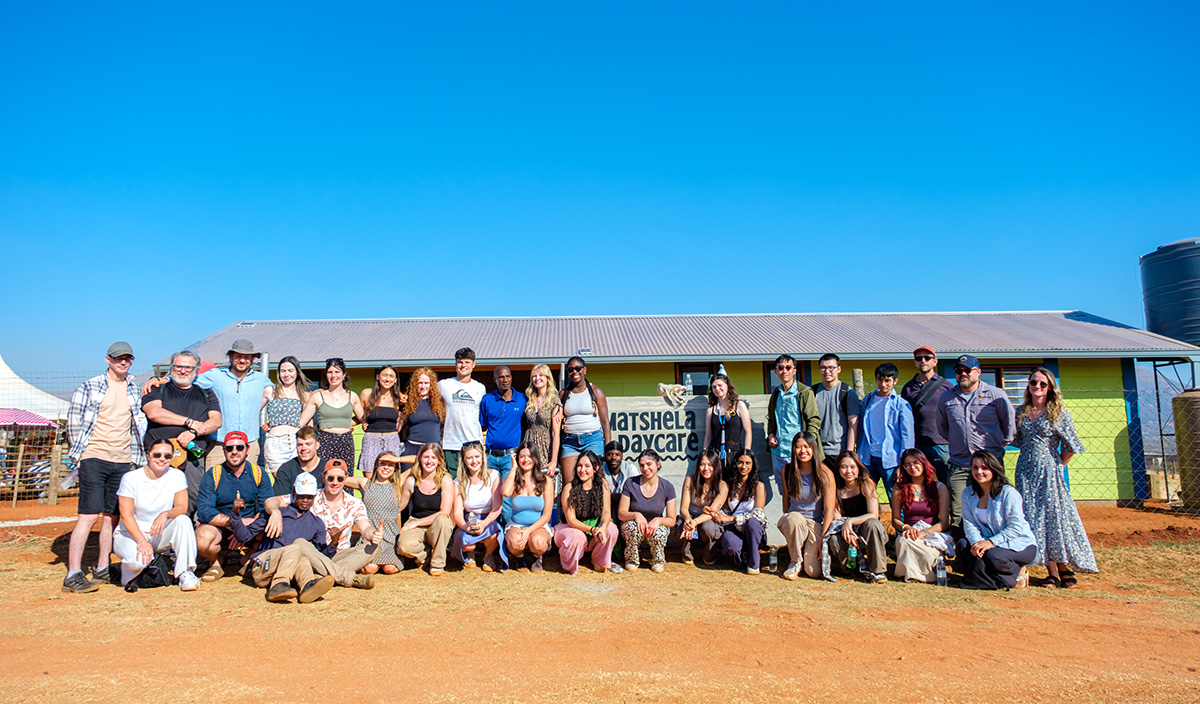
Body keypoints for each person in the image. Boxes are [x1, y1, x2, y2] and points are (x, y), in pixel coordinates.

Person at [63, 341, 148, 593]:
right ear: (107, 360)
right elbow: (74, 422)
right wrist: (80, 454)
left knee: (112, 516)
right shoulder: (89, 386)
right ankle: (73, 573)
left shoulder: (134, 388)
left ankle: (102, 568)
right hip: (94, 457)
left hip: (123, 460)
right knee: (88, 515)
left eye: (128, 358)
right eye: (118, 358)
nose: (123, 362)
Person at [229, 473, 372, 603]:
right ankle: (278, 586)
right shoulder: (277, 513)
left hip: (292, 569)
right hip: (265, 566)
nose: (305, 500)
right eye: (301, 496)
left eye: (309, 497)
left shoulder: (316, 523)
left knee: (302, 554)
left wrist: (334, 542)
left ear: (314, 498)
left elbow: (319, 556)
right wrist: (235, 514)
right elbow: (244, 536)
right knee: (297, 546)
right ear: (293, 494)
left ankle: (307, 586)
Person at [1014, 368, 1097, 588]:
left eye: (1043, 384)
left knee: (1054, 518)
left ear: (1050, 387)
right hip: (1025, 471)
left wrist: (1058, 463)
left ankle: (1063, 567)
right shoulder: (1021, 411)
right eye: (1034, 383)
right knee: (1034, 518)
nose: (1037, 387)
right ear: (1029, 385)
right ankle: (1050, 570)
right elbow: (1017, 440)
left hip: (1049, 471)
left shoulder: (1058, 412)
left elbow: (1071, 444)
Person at [937, 354, 1016, 530]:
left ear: (978, 372)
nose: (963, 374)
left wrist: (999, 446)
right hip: (959, 464)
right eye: (959, 371)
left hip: (990, 465)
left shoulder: (996, 395)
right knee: (958, 511)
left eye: (967, 370)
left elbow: (1009, 425)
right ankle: (964, 552)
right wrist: (957, 442)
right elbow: (942, 428)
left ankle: (994, 548)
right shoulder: (946, 398)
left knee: (994, 507)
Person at [266, 458, 381, 578]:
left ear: (346, 479)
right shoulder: (310, 496)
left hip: (339, 553)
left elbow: (365, 526)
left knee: (372, 548)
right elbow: (272, 501)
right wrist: (275, 512)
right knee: (300, 544)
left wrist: (373, 534)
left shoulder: (355, 503)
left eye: (340, 479)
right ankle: (341, 575)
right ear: (323, 477)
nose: (335, 482)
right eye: (330, 478)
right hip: (313, 553)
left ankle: (321, 574)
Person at [142, 350, 222, 517]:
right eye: (178, 366)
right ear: (171, 368)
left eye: (188, 367)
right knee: (156, 497)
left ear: (196, 370)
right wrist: (188, 422)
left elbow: (216, 421)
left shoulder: (206, 394)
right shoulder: (158, 388)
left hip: (193, 456)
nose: (183, 371)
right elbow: (154, 412)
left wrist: (193, 432)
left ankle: (185, 533)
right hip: (160, 456)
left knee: (191, 496)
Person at [112, 437, 198, 591]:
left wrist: (165, 514)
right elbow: (126, 515)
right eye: (157, 455)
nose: (162, 459)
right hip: (131, 533)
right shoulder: (131, 478)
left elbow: (181, 507)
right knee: (138, 562)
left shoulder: (177, 475)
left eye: (167, 456)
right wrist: (141, 541)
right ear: (148, 455)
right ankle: (129, 571)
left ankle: (185, 572)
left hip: (158, 532)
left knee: (183, 520)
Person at [194, 431, 273, 582]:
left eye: (239, 447)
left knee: (272, 527)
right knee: (202, 539)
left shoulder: (259, 473)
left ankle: (248, 559)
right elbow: (204, 510)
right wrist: (235, 524)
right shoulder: (213, 474)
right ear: (223, 450)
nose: (234, 452)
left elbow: (266, 507)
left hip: (251, 526)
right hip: (222, 526)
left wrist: (246, 529)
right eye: (229, 448)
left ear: (247, 449)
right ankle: (215, 563)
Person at [955, 451, 1037, 590]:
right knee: (963, 546)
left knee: (993, 557)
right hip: (987, 543)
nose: (979, 472)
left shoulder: (1008, 493)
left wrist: (991, 542)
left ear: (994, 469)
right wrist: (976, 544)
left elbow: (1016, 527)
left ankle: (1018, 571)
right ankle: (992, 576)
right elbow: (970, 524)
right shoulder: (968, 493)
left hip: (1019, 544)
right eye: (975, 467)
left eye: (984, 468)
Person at [195, 340, 273, 470]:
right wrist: (160, 380)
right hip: (219, 445)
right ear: (230, 357)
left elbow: (280, 396)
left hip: (249, 445)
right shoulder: (215, 376)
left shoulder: (261, 379)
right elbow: (187, 383)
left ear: (252, 359)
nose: (242, 360)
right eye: (238, 356)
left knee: (248, 486)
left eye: (247, 357)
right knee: (214, 484)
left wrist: (274, 420)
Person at [777, 432, 837, 580]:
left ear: (814, 448)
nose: (802, 451)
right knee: (794, 519)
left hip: (814, 524)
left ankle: (804, 555)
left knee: (813, 571)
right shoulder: (787, 470)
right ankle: (795, 561)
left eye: (806, 446)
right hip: (795, 519)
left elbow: (829, 510)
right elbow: (786, 499)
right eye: (798, 447)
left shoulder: (825, 473)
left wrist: (823, 539)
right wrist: (789, 524)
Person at [891, 449, 953, 584]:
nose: (912, 467)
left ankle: (916, 573)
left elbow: (944, 522)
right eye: (907, 465)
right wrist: (906, 527)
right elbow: (895, 520)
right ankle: (922, 575)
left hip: (931, 534)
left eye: (915, 463)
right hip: (909, 532)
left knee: (927, 554)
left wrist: (924, 533)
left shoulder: (939, 488)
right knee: (904, 541)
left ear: (923, 463)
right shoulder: (899, 488)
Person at [856, 363, 914, 504]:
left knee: (896, 499)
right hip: (868, 458)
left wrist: (903, 464)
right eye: (880, 380)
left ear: (895, 380)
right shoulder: (868, 400)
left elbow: (907, 436)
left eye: (887, 380)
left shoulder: (901, 404)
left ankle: (900, 526)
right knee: (866, 498)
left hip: (891, 461)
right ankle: (872, 526)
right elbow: (862, 430)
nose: (883, 384)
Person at [554, 450, 619, 575]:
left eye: (587, 466)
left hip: (593, 526)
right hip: (570, 528)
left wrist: (603, 527)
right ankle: (568, 561)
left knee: (611, 529)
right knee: (577, 537)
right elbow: (571, 520)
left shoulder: (603, 484)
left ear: (595, 468)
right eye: (579, 465)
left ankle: (600, 561)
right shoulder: (569, 488)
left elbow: (606, 512)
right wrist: (592, 530)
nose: (582, 470)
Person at [766, 354, 822, 498]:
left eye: (788, 367)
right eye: (781, 368)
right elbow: (772, 420)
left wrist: (807, 445)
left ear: (794, 371)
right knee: (784, 491)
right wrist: (771, 434)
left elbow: (813, 421)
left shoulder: (804, 392)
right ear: (775, 371)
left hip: (799, 452)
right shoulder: (776, 394)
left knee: (803, 490)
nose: (784, 371)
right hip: (779, 452)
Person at [828, 451, 888, 583]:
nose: (848, 471)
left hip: (867, 530)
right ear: (838, 469)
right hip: (846, 531)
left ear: (858, 468)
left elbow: (873, 514)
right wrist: (848, 529)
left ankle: (878, 570)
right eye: (843, 467)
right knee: (833, 539)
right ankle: (851, 570)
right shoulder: (835, 488)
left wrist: (851, 521)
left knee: (873, 523)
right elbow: (837, 518)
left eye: (852, 467)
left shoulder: (866, 484)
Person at [397, 443, 456, 575]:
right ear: (420, 459)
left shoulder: (445, 480)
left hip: (437, 525)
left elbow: (444, 512)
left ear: (439, 461)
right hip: (417, 522)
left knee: (443, 520)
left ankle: (437, 564)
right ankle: (426, 555)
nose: (429, 461)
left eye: (434, 458)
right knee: (403, 547)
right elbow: (400, 506)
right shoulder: (411, 480)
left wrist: (416, 523)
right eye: (426, 457)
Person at [344, 451, 406, 575]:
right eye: (382, 463)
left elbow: (418, 461)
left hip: (390, 536)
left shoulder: (398, 483)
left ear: (395, 468)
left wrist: (398, 459)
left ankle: (395, 557)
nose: (386, 468)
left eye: (390, 465)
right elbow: (340, 480)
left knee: (390, 569)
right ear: (376, 465)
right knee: (369, 569)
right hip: (370, 535)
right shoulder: (365, 483)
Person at [900, 346, 955, 483]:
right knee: (921, 484)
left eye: (927, 358)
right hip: (917, 444)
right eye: (919, 358)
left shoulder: (947, 386)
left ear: (935, 362)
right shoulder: (908, 388)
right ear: (915, 362)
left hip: (942, 445)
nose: (923, 361)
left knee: (947, 482)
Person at [617, 449, 677, 573]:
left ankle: (657, 560)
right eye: (642, 465)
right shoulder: (630, 483)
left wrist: (658, 520)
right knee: (630, 527)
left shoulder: (668, 487)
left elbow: (671, 520)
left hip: (654, 528)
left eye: (649, 464)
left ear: (658, 464)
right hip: (636, 527)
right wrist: (636, 515)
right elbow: (621, 513)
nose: (645, 468)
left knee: (660, 530)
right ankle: (631, 559)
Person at [479, 366, 527, 522]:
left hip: (510, 457)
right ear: (495, 379)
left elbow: (526, 424)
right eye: (501, 377)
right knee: (488, 496)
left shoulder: (522, 399)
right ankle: (490, 533)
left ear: (511, 377)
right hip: (491, 456)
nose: (505, 380)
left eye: (507, 376)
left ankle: (507, 535)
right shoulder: (487, 400)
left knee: (506, 498)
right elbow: (483, 425)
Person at [298, 357, 364, 470]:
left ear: (344, 374)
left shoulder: (352, 396)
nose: (333, 376)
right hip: (325, 440)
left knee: (345, 477)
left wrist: (347, 424)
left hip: (346, 441)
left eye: (337, 372)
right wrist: (317, 426)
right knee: (324, 475)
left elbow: (363, 419)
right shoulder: (318, 397)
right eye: (330, 372)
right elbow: (301, 422)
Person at [712, 450, 767, 574]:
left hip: (751, 528)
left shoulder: (759, 486)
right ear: (735, 464)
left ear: (753, 466)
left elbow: (758, 515)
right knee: (729, 542)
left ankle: (754, 564)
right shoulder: (730, 485)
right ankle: (741, 558)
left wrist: (732, 518)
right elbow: (725, 510)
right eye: (740, 463)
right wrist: (716, 514)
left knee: (752, 523)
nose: (744, 466)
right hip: (734, 528)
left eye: (748, 463)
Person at [559, 356, 612, 485]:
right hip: (569, 442)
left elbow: (605, 422)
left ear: (585, 369)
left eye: (578, 368)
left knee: (594, 482)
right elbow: (558, 422)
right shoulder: (563, 394)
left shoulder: (595, 392)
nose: (574, 372)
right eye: (571, 369)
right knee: (569, 485)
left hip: (592, 440)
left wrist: (608, 448)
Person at [451, 443, 504, 572]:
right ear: (463, 460)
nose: (474, 461)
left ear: (483, 457)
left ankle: (488, 555)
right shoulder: (458, 482)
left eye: (477, 456)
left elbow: (497, 507)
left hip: (489, 519)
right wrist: (465, 527)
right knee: (465, 542)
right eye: (469, 458)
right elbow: (457, 513)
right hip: (468, 520)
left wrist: (485, 523)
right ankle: (470, 553)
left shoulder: (494, 475)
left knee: (493, 534)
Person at [503, 442, 555, 571]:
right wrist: (513, 468)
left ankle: (536, 556)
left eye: (530, 456)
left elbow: (547, 515)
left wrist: (528, 531)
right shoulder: (514, 479)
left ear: (536, 458)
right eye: (522, 456)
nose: (526, 460)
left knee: (538, 542)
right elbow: (505, 492)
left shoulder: (546, 481)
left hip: (539, 526)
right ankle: (519, 557)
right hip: (516, 525)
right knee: (515, 542)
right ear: (517, 458)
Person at [437, 348, 486, 478]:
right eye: (460, 362)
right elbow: (425, 397)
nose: (463, 365)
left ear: (473, 365)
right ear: (455, 364)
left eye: (467, 362)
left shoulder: (480, 388)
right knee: (453, 482)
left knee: (473, 481)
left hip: (473, 444)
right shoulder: (444, 385)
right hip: (451, 444)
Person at [259, 356, 311, 476]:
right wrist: (262, 426)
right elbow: (253, 411)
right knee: (282, 483)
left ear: (297, 372)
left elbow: (308, 423)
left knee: (297, 483)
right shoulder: (270, 390)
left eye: (290, 370)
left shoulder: (303, 395)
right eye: (283, 371)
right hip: (275, 443)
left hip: (296, 442)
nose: (286, 374)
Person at [675, 449, 725, 566]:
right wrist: (688, 520)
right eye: (702, 464)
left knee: (709, 528)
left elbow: (712, 511)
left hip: (708, 519)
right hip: (691, 516)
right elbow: (683, 508)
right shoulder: (690, 479)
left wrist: (695, 522)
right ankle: (686, 552)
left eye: (710, 465)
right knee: (681, 523)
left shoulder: (723, 485)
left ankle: (709, 554)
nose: (705, 469)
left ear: (716, 466)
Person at [812, 354, 860, 464]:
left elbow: (853, 424)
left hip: (839, 452)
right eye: (823, 368)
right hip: (818, 452)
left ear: (839, 369)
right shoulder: (813, 392)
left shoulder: (847, 393)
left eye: (831, 368)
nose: (827, 371)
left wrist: (849, 453)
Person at [359, 365, 405, 478]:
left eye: (391, 376)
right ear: (378, 377)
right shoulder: (366, 394)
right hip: (371, 439)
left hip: (391, 440)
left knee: (391, 478)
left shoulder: (399, 398)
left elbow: (402, 418)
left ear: (395, 380)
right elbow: (359, 415)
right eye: (384, 375)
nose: (387, 379)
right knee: (370, 479)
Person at [399, 366, 444, 473]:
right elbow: (399, 425)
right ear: (415, 384)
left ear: (431, 384)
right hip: (412, 448)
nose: (423, 386)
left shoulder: (440, 402)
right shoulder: (407, 402)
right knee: (408, 483)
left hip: (433, 450)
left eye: (426, 383)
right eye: (420, 383)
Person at [705, 373, 751, 474]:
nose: (717, 389)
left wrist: (746, 454)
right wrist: (704, 454)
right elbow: (708, 436)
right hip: (716, 455)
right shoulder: (711, 410)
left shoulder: (739, 405)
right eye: (714, 387)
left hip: (734, 454)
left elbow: (748, 432)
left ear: (727, 386)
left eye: (720, 385)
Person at [522, 363, 563, 474]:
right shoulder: (529, 399)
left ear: (547, 378)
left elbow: (556, 433)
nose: (537, 378)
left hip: (546, 446)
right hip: (529, 444)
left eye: (541, 375)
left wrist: (554, 461)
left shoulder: (554, 401)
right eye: (534, 376)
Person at [273, 427, 328, 497]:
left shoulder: (327, 469)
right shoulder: (286, 470)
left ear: (317, 445)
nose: (304, 448)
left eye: (308, 444)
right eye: (300, 445)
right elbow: (279, 500)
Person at [602, 441, 636, 521]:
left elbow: (637, 493)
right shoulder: (600, 471)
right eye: (610, 454)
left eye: (617, 454)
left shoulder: (630, 469)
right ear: (605, 456)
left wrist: (619, 498)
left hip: (627, 511)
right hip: (605, 511)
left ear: (622, 456)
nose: (613, 457)